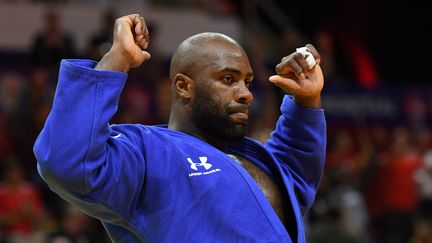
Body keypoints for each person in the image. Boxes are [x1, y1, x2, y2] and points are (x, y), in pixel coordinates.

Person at [34, 14, 326, 242]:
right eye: (228, 79)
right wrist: (116, 59)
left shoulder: (252, 158)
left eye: (247, 82)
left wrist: (306, 99)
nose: (245, 93)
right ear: (184, 87)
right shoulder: (148, 151)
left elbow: (295, 178)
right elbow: (67, 162)